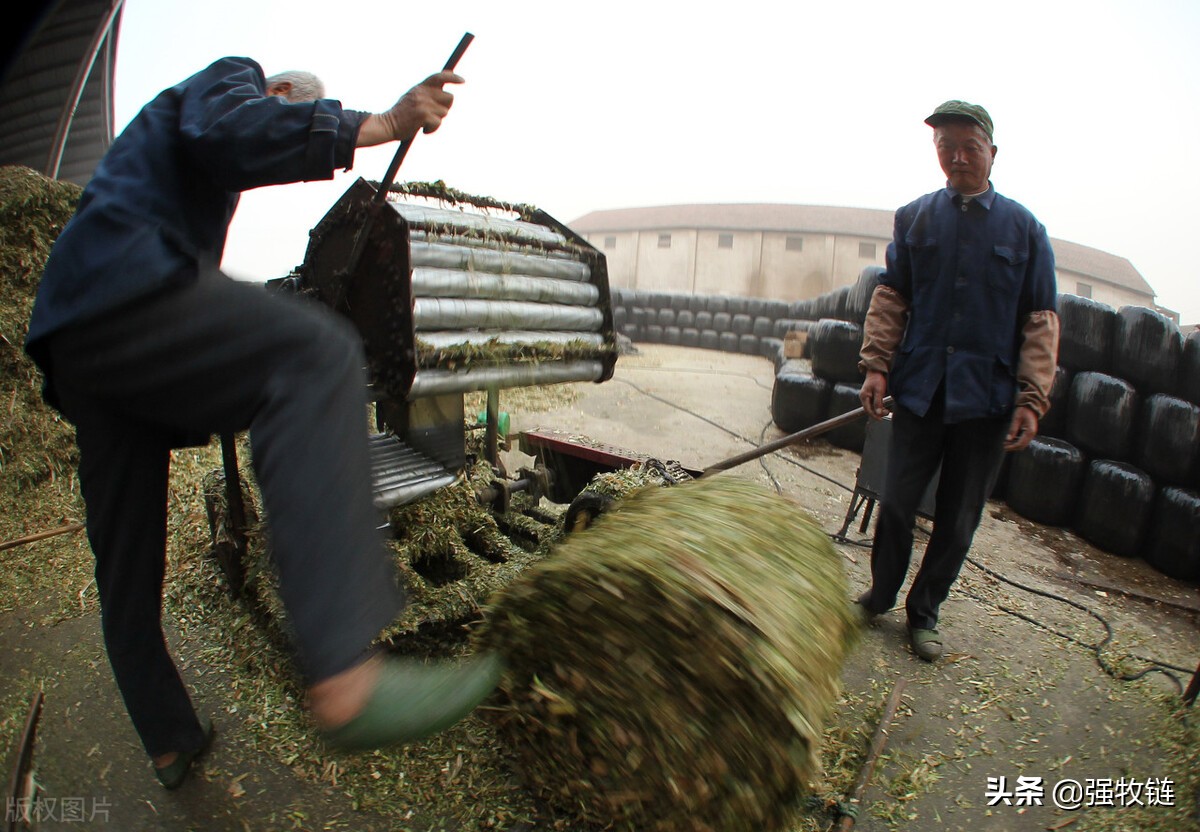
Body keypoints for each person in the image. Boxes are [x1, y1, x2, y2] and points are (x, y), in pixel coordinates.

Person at [24, 56, 502, 789]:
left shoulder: (172, 177)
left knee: (126, 568)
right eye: (282, 113)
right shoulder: (232, 81)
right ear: (279, 96)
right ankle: (347, 680)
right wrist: (377, 125)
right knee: (316, 354)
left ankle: (168, 742)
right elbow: (232, 131)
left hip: (83, 346)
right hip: (119, 291)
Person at [855, 100, 1059, 662]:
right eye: (946, 149)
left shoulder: (1024, 229)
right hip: (923, 387)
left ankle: (925, 613)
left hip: (987, 400)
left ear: (993, 152)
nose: (958, 158)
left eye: (970, 147)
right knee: (895, 501)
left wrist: (1031, 399)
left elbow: (1040, 319)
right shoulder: (916, 217)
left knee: (958, 516)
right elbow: (892, 296)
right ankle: (880, 594)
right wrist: (877, 366)